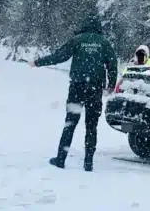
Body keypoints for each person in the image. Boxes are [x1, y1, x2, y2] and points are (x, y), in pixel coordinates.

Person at [30, 14, 118, 172]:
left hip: (77, 86)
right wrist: (111, 84)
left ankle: (61, 159)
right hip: (95, 88)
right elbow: (112, 64)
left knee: (70, 123)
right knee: (92, 126)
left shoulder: (77, 40)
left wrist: (38, 62)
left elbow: (59, 56)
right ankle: (88, 162)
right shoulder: (104, 43)